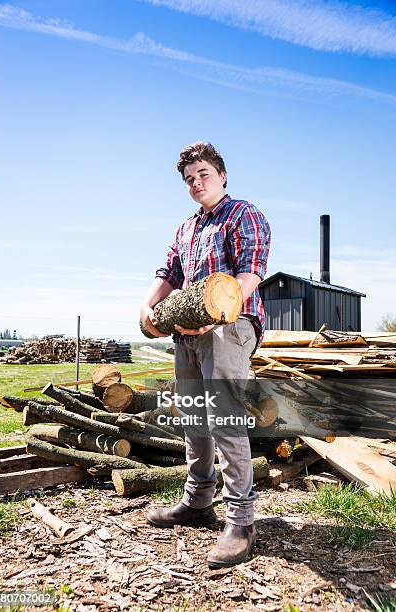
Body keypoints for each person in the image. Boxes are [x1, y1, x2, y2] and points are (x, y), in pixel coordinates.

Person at [140, 142, 271, 568]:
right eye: (189, 179)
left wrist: (218, 315)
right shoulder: (185, 229)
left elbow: (251, 271)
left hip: (231, 326)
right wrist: (147, 304)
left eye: (204, 174)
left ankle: (242, 522)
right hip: (189, 331)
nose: (197, 183)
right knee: (194, 414)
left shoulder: (242, 214)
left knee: (225, 414)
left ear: (223, 174)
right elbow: (168, 274)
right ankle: (198, 502)